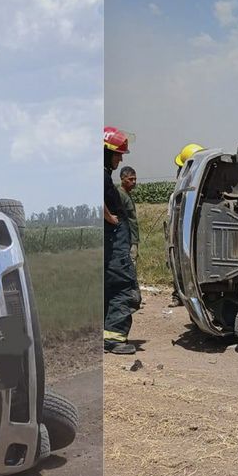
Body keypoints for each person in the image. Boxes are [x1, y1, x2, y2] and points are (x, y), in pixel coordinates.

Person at [104, 127, 139, 355]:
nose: (121, 157)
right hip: (115, 242)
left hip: (111, 243)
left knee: (108, 288)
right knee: (125, 288)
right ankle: (114, 339)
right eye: (118, 153)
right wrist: (110, 218)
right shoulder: (100, 176)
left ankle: (107, 334)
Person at [118, 165, 139, 260]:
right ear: (122, 179)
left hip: (132, 238)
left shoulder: (127, 194)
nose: (134, 182)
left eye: (135, 179)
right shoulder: (120, 195)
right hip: (125, 239)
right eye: (130, 179)